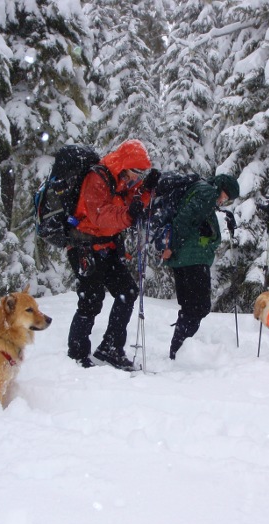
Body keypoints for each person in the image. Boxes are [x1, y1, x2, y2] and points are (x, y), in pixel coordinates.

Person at [66, 139, 158, 370]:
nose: (136, 178)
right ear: (125, 164)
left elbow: (131, 203)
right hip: (84, 248)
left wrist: (146, 191)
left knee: (127, 291)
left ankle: (110, 348)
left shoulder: (120, 180)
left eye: (140, 174)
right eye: (135, 172)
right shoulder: (97, 178)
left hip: (107, 248)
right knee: (91, 301)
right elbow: (101, 215)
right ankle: (76, 356)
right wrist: (129, 214)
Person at [160, 174, 240, 359]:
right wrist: (171, 246)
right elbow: (185, 219)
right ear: (220, 187)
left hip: (188, 258)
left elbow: (192, 217)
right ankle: (179, 351)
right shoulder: (207, 192)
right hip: (191, 259)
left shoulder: (203, 192)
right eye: (225, 196)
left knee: (191, 307)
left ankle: (178, 350)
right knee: (198, 307)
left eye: (227, 199)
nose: (223, 200)